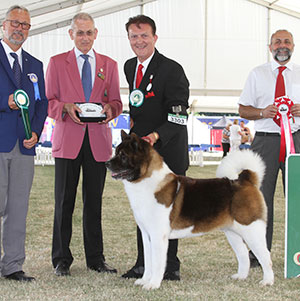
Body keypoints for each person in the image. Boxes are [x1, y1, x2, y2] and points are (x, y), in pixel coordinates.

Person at [46, 12, 122, 276]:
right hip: (68, 142)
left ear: (96, 34)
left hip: (98, 142)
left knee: (94, 203)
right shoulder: (56, 63)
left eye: (89, 32)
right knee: (63, 202)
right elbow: (49, 102)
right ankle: (61, 259)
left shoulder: (109, 65)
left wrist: (111, 110)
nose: (85, 37)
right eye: (80, 32)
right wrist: (65, 107)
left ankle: (96, 259)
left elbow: (116, 102)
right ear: (71, 35)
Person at [122, 15, 190, 281]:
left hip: (167, 151)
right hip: (141, 157)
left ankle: (170, 266)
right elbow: (139, 104)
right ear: (128, 39)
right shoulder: (130, 67)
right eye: (133, 36)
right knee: (144, 209)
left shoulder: (172, 69)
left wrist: (155, 135)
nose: (139, 41)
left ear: (155, 38)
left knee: (167, 212)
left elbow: (179, 114)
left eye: (144, 36)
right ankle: (144, 263)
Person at [239, 29, 300, 267]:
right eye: (277, 42)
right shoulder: (257, 74)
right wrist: (263, 112)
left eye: (286, 41)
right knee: (260, 199)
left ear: (293, 46)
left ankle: (297, 252)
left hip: (297, 140)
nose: (282, 46)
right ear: (270, 46)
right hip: (264, 141)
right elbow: (243, 110)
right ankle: (257, 254)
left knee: (297, 197)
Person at [0, 5, 48, 281]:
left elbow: (41, 103)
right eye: (15, 23)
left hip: (24, 146)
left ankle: (13, 265)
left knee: (18, 208)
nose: (19, 28)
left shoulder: (35, 65)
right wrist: (4, 102)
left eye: (25, 25)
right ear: (4, 25)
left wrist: (37, 132)